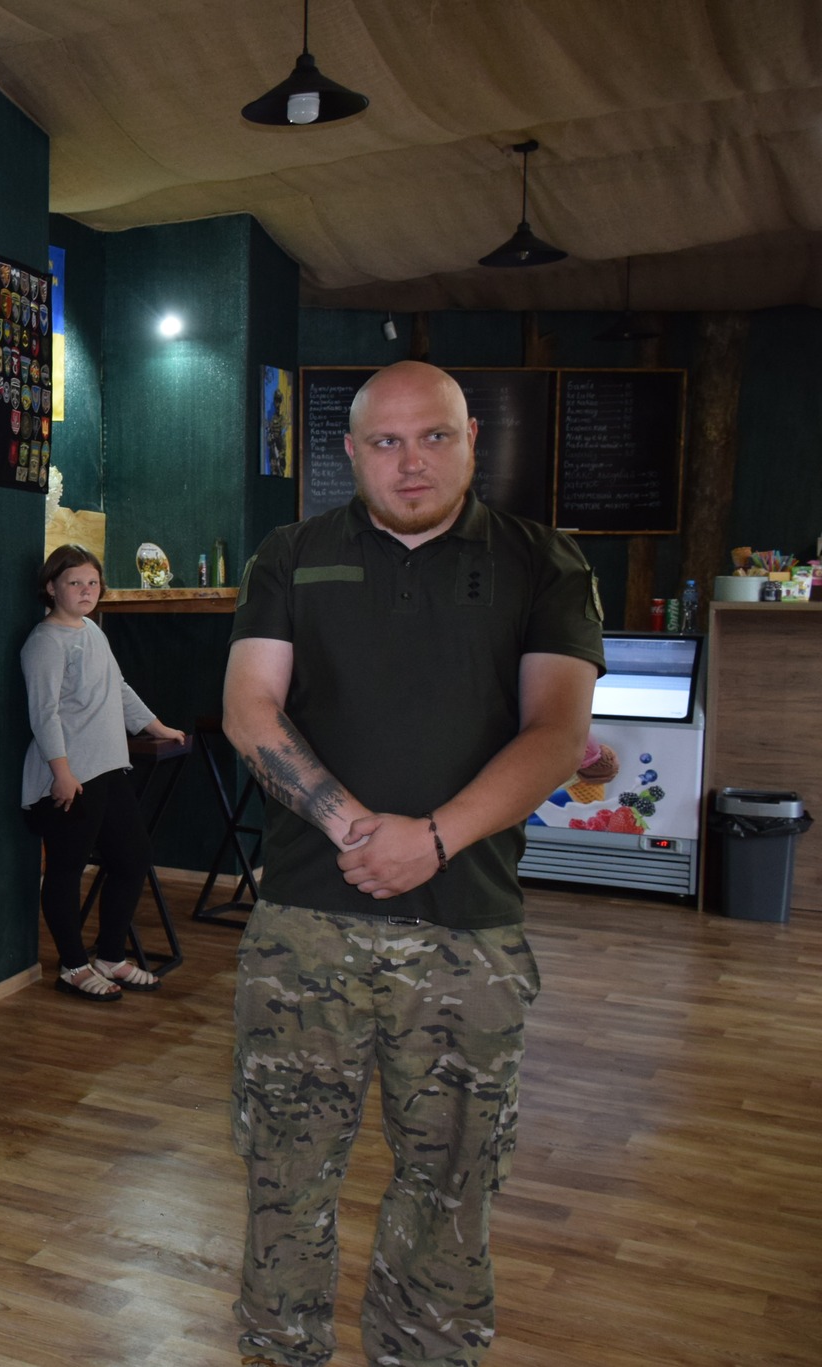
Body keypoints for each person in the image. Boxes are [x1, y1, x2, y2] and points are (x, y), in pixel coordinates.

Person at [221, 361, 604, 1367]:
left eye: (432, 435)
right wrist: (355, 826)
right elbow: (248, 706)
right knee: (283, 1170)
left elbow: (557, 732)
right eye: (385, 441)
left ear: (471, 437)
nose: (410, 461)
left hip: (466, 927)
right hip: (305, 924)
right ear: (349, 452)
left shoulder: (543, 562)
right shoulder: (290, 554)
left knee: (451, 1182)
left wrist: (429, 837)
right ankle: (278, 1349)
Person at [20, 544, 187, 1002]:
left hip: (109, 768)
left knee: (133, 858)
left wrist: (157, 727)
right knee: (67, 869)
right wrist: (61, 772)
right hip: (70, 776)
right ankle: (73, 966)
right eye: (75, 582)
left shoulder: (92, 631)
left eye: (92, 582)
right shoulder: (45, 642)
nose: (86, 590)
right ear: (51, 587)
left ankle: (111, 956)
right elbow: (44, 714)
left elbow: (119, 688)